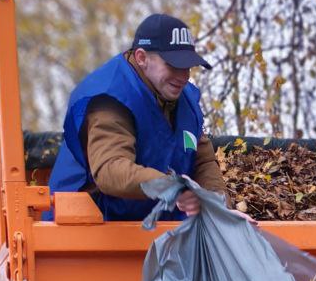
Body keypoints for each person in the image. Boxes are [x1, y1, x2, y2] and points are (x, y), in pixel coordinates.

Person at [48, 13, 227, 221]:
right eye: (173, 65)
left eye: (187, 66)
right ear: (142, 58)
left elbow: (202, 160)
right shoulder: (111, 98)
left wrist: (218, 206)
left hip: (152, 229)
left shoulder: (183, 98)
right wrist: (172, 187)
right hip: (85, 234)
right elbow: (110, 170)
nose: (183, 76)